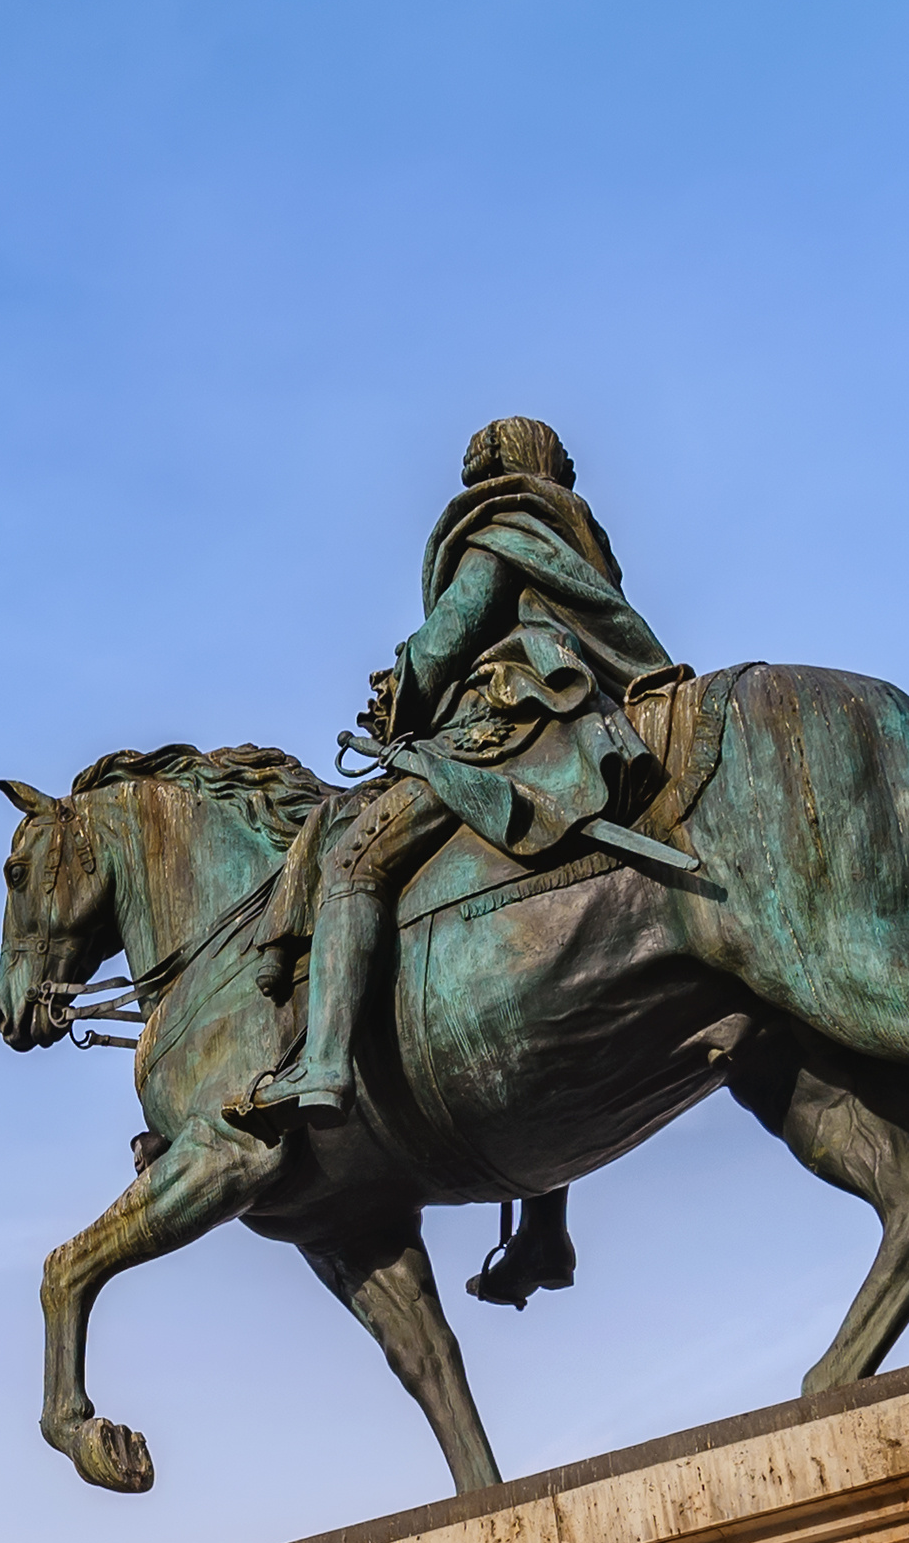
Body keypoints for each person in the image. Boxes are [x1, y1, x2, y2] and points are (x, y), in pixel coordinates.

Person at [255, 415, 708, 1125]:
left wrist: (401, 683)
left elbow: (453, 633)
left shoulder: (504, 527)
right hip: (575, 716)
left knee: (350, 861)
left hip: (503, 725)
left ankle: (324, 1064)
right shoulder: (575, 536)